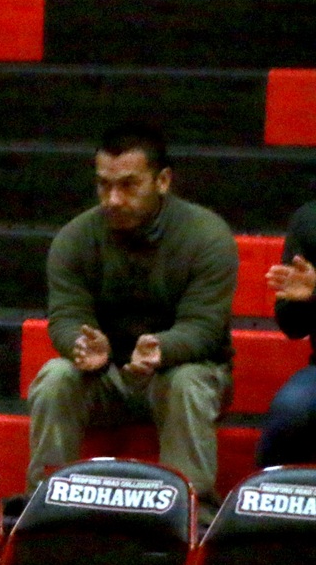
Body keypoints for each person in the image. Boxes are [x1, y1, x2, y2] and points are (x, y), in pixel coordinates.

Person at [27, 122, 237, 500]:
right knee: (55, 377)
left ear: (163, 181)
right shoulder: (75, 238)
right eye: (103, 185)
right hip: (107, 375)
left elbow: (205, 327)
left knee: (187, 384)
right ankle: (44, 500)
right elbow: (67, 315)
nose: (113, 199)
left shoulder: (207, 236)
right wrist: (80, 344)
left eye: (128, 185)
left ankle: (190, 510)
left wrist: (162, 348)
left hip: (180, 370)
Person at [259, 201, 316, 468]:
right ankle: (271, 493)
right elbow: (292, 327)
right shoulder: (309, 219)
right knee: (291, 411)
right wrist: (305, 299)